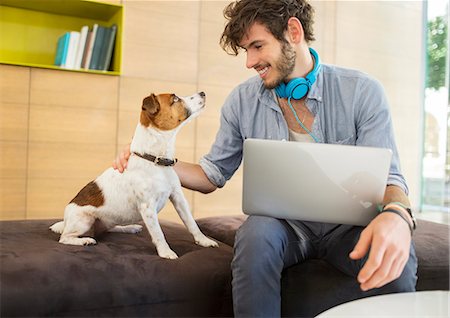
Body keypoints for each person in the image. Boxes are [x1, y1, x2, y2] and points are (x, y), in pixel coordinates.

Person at [114, 0, 418, 316]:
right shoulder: (242, 101)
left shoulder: (362, 92)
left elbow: (391, 181)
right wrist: (150, 159)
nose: (249, 61)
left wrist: (396, 215)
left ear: (294, 32)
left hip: (350, 227)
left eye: (257, 46)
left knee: (399, 258)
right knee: (256, 233)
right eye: (246, 50)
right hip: (283, 227)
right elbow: (211, 174)